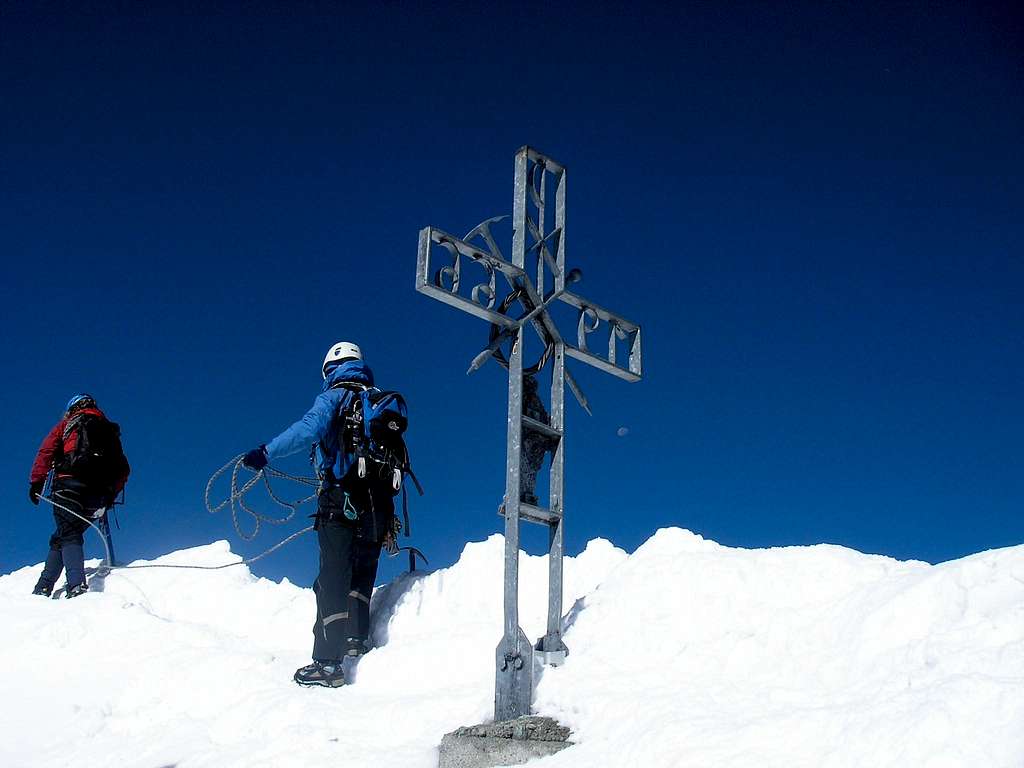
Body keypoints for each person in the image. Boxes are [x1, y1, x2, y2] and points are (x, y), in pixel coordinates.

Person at [242, 341, 403, 688]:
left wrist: (266, 453)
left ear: (330, 369)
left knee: (333, 576)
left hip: (341, 496)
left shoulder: (334, 397)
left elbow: (308, 430)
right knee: (362, 572)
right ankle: (356, 639)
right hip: (379, 503)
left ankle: (327, 664)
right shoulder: (380, 402)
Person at [29, 394, 131, 598]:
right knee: (66, 532)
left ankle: (76, 585)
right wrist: (109, 496)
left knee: (68, 532)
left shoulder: (68, 424)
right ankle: (44, 585)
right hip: (97, 493)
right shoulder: (108, 430)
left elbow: (46, 451)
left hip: (68, 483)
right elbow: (123, 469)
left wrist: (36, 482)